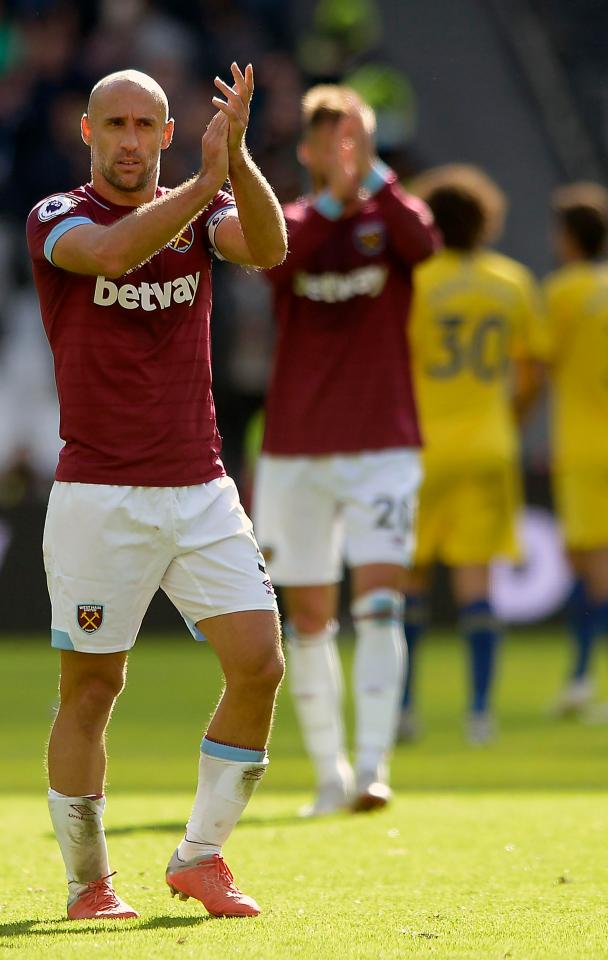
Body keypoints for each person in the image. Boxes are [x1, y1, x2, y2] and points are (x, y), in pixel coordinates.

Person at [26, 64, 286, 920]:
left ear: (169, 134)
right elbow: (111, 252)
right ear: (88, 134)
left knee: (259, 664)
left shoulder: (205, 209)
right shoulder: (58, 218)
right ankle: (89, 882)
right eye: (116, 126)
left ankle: (201, 857)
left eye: (147, 126)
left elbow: (271, 248)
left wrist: (236, 160)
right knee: (92, 693)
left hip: (201, 485)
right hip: (100, 493)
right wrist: (206, 181)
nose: (131, 141)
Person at [253, 85, 438, 816]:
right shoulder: (293, 222)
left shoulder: (394, 217)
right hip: (297, 448)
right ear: (307, 151)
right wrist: (335, 200)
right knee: (306, 616)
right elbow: (277, 262)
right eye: (331, 140)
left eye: (356, 137)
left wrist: (376, 184)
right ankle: (327, 773)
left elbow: (424, 245)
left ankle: (373, 769)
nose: (345, 152)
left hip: (383, 445)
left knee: (383, 605)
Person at [401, 165, 547, 744]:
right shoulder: (511, 281)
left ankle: (405, 710)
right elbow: (531, 374)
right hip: (489, 446)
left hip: (420, 448)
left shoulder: (413, 279)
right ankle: (479, 713)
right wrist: (506, 422)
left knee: (408, 581)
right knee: (476, 583)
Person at [543, 183, 608, 715]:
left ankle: (585, 681)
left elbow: (539, 365)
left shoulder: (563, 292)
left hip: (585, 446)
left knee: (593, 568)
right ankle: (582, 678)